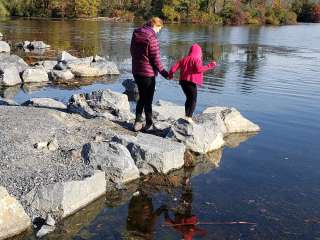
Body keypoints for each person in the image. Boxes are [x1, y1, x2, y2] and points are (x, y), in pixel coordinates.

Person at [130, 17, 169, 132]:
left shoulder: (136, 33)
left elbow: (132, 51)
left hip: (136, 71)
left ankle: (137, 121)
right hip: (148, 73)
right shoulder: (152, 37)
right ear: (155, 26)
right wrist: (164, 73)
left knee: (141, 96)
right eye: (159, 29)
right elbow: (156, 59)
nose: (158, 31)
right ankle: (148, 123)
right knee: (148, 99)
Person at [168, 44, 217, 123]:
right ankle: (189, 117)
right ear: (199, 52)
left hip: (183, 82)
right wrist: (210, 65)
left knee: (188, 98)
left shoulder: (184, 59)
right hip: (191, 82)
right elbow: (199, 69)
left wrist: (170, 75)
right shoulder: (196, 59)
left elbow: (173, 68)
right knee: (193, 99)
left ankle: (186, 116)